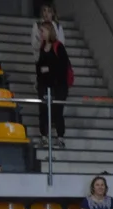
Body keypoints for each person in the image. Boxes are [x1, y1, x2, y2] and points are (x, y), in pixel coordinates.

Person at [35, 20, 71, 149]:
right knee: (43, 110)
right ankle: (44, 136)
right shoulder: (42, 47)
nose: (41, 33)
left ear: (49, 31)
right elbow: (39, 65)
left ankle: (60, 137)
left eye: (43, 31)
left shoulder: (58, 47)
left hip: (58, 85)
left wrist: (49, 69)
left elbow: (63, 66)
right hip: (44, 84)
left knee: (57, 111)